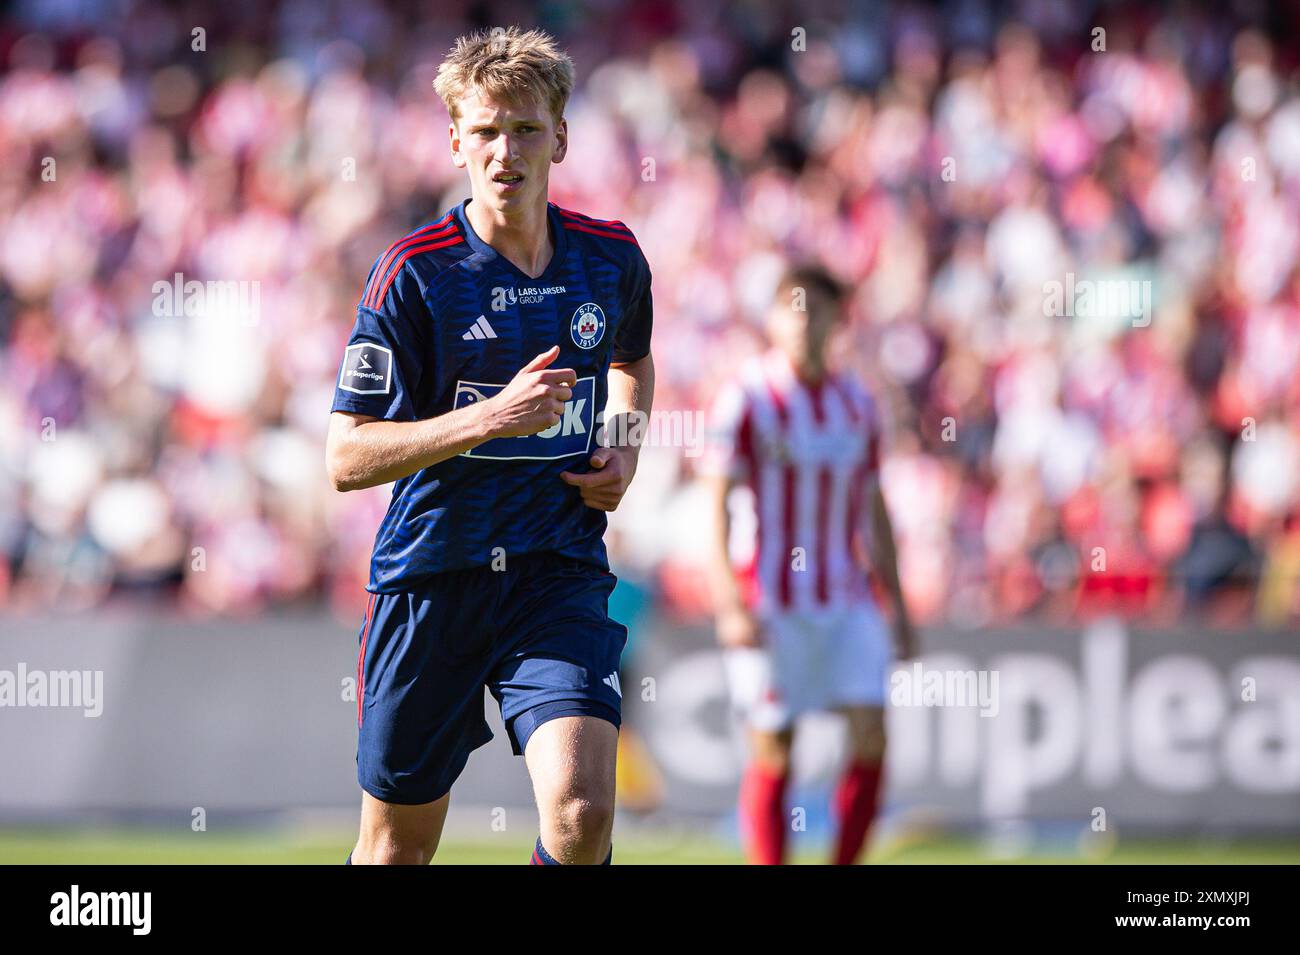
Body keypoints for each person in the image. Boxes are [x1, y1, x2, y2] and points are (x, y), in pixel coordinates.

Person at [325, 27, 654, 865]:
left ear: (562, 137)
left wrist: (624, 446)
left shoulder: (611, 259)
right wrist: (487, 419)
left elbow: (632, 357)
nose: (505, 150)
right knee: (396, 849)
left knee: (581, 814)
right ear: (456, 141)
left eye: (527, 129)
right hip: (432, 579)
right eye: (485, 130)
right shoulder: (414, 274)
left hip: (555, 573)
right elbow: (344, 457)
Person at [703, 265, 914, 865]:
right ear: (771, 320)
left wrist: (896, 604)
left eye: (815, 311)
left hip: (845, 598)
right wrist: (728, 603)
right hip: (769, 599)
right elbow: (714, 507)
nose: (802, 323)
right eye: (792, 311)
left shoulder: (858, 403)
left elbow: (875, 510)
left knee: (872, 732)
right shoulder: (745, 398)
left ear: (835, 321)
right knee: (774, 747)